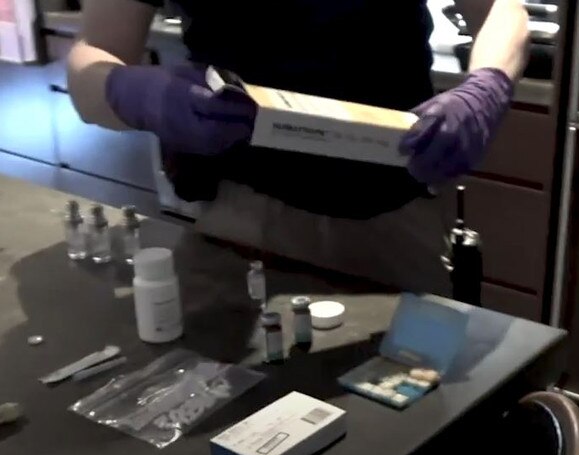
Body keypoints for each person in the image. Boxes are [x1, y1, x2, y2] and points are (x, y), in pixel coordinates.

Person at [68, 0, 529, 291]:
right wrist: (138, 94)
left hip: (393, 209)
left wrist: (485, 89)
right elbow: (90, 57)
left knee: (414, 416)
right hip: (243, 210)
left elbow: (503, 10)